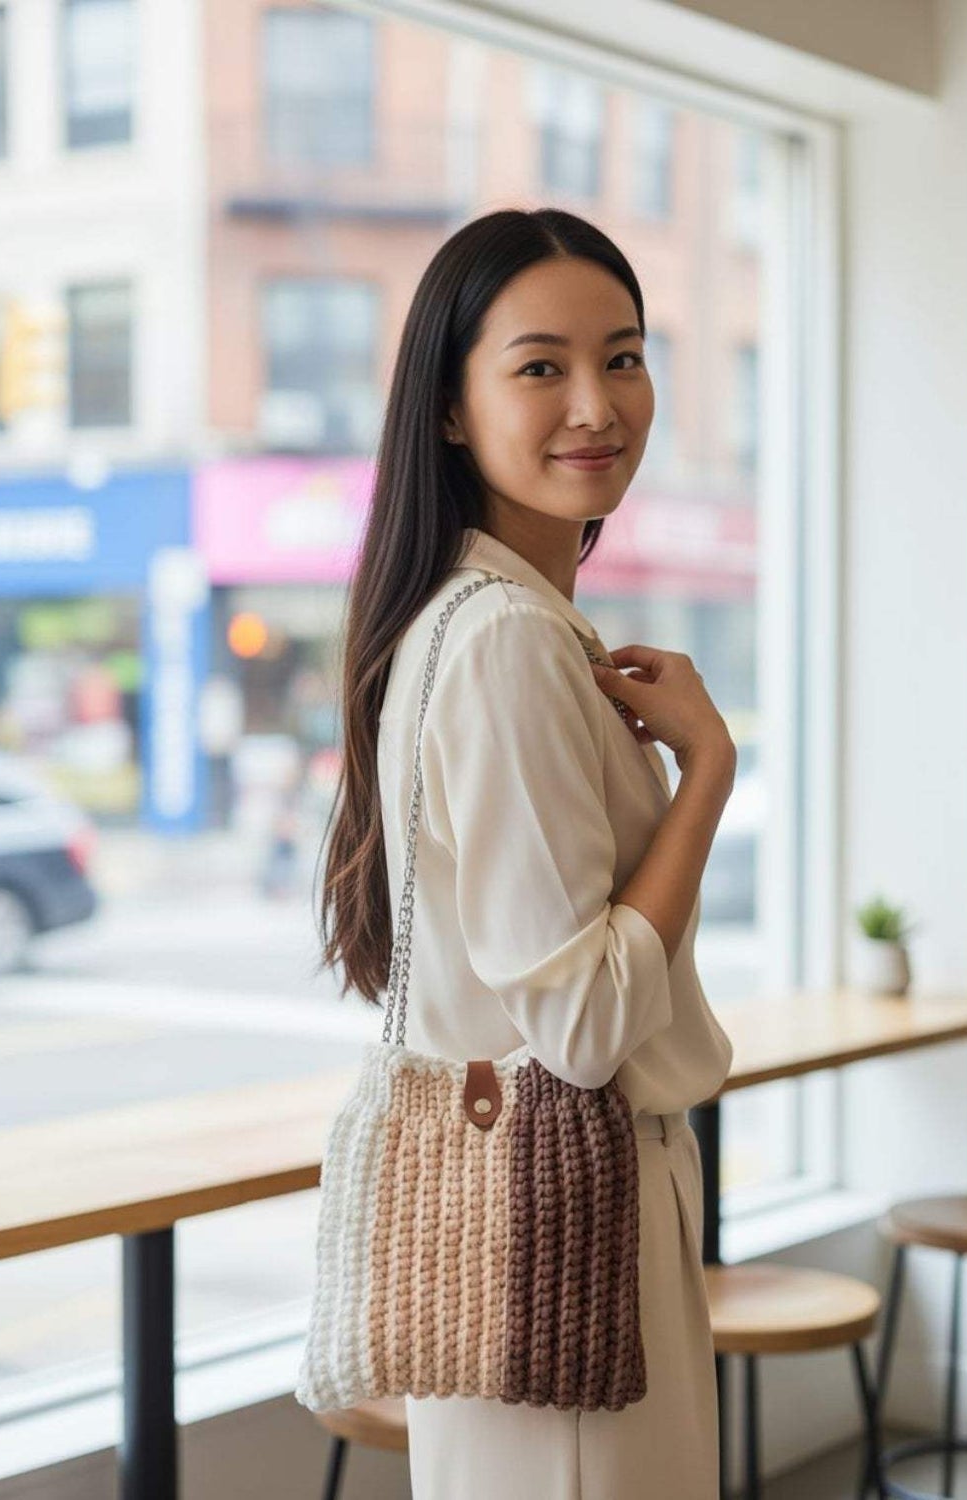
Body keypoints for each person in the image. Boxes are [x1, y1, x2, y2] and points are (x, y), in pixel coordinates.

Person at [316, 206, 737, 1500]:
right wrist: (709, 774)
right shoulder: (504, 641)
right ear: (450, 409)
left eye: (623, 355)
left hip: (539, 1218)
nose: (597, 403)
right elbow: (580, 1021)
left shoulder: (478, 618)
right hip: (569, 1225)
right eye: (540, 365)